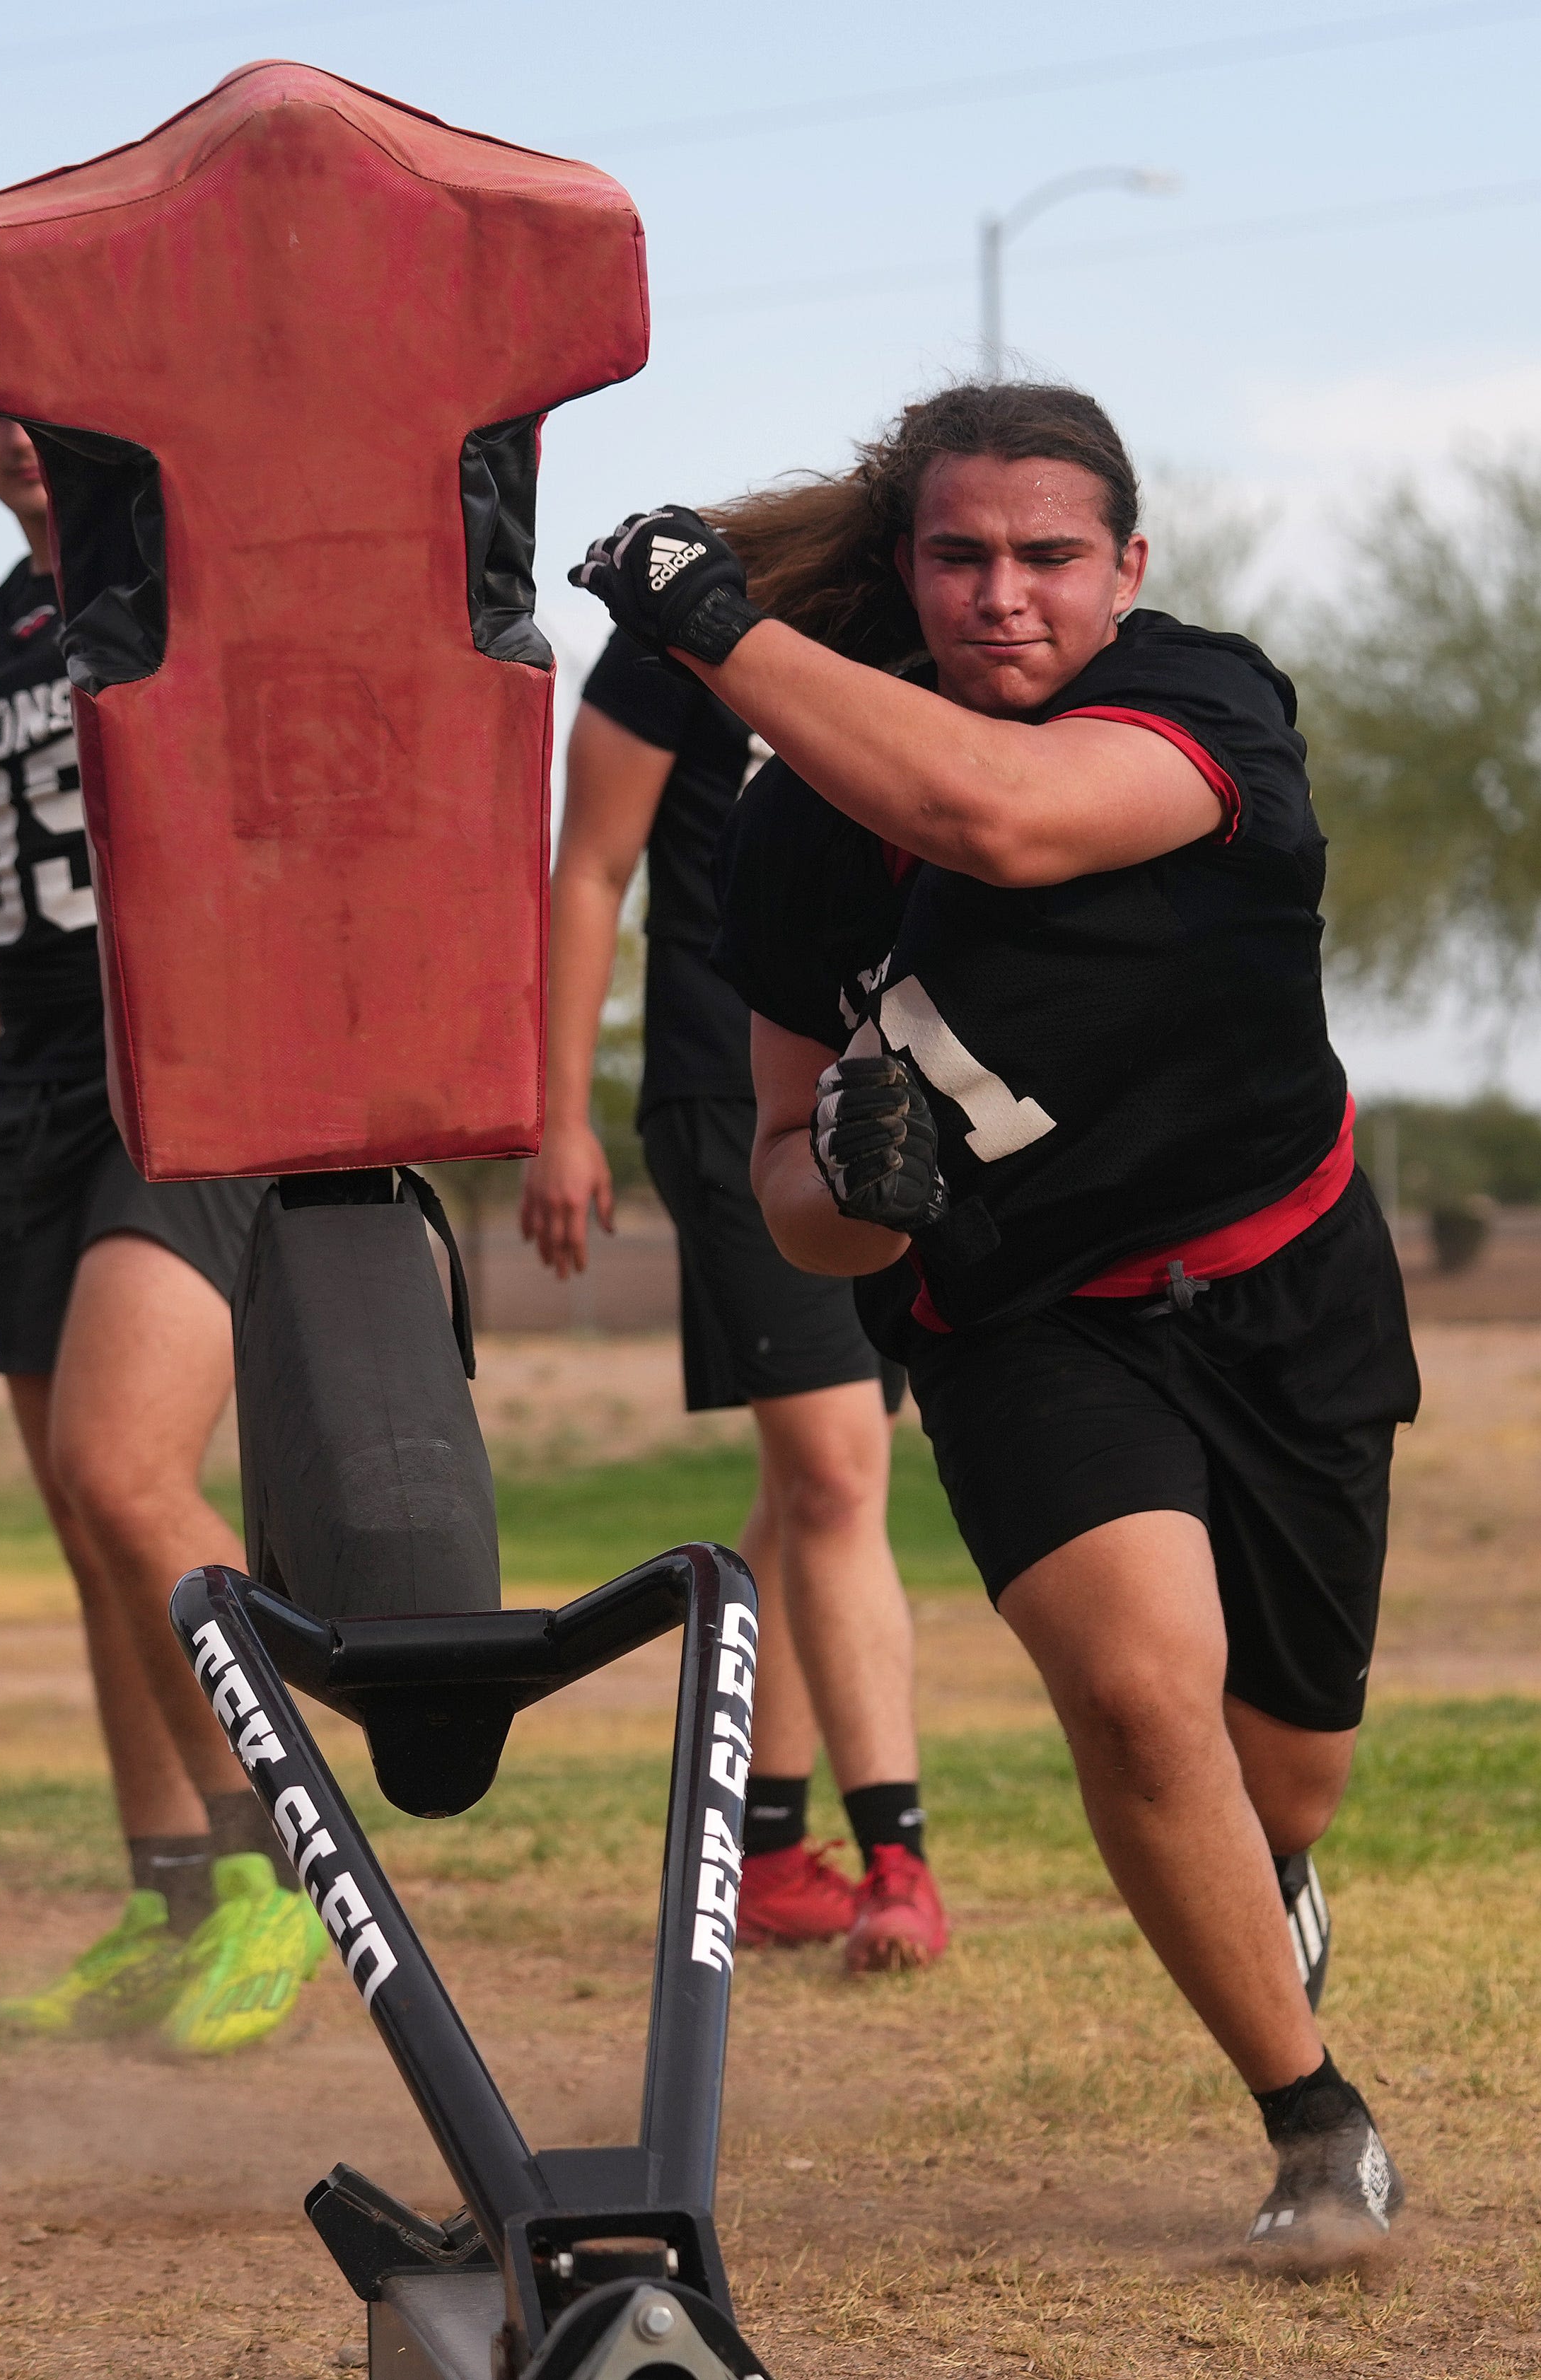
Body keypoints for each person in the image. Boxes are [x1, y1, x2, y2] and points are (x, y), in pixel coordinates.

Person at [566, 381, 1419, 2256]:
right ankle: (1313, 2123)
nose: (1001, 595)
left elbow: (1000, 817)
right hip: (1032, 1318)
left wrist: (710, 619)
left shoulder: (1206, 701)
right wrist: (852, 1190)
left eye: (1047, 556)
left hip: (1285, 1280)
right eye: (957, 555)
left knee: (1282, 1767)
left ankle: (1266, 1862)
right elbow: (797, 1195)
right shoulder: (794, 837)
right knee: (1131, 1694)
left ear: (1128, 565)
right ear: (907, 572)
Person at [0, 340, 324, 2055]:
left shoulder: (188, 583)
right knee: (75, 1516)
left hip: (181, 1071)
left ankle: (296, 1871)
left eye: (42, 392)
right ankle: (172, 1899)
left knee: (128, 1476)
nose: (14, 429)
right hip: (35, 1092)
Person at [518, 630, 943, 1973]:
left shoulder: (911, 628)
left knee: (807, 1482)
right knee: (832, 1470)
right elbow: (588, 869)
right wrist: (555, 1116)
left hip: (898, 1096)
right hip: (733, 1101)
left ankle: (765, 1855)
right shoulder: (675, 644)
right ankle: (897, 1862)